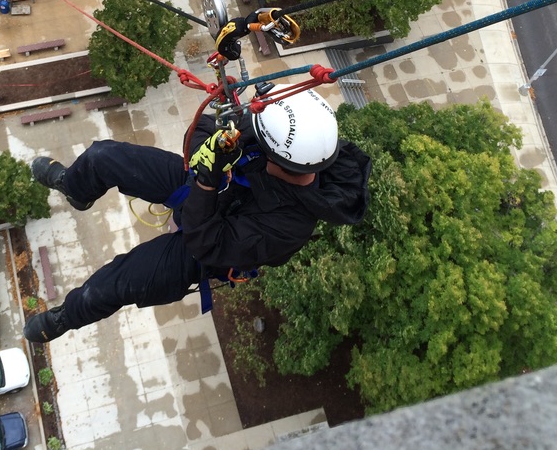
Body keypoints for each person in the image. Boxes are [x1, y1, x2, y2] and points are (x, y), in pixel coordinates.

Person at [24, 88, 371, 343]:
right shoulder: (278, 137)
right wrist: (207, 151)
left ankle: (65, 318)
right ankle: (75, 186)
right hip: (205, 185)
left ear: (281, 160)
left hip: (207, 247)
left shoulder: (290, 227)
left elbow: (207, 241)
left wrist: (207, 180)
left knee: (115, 284)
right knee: (105, 157)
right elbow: (204, 127)